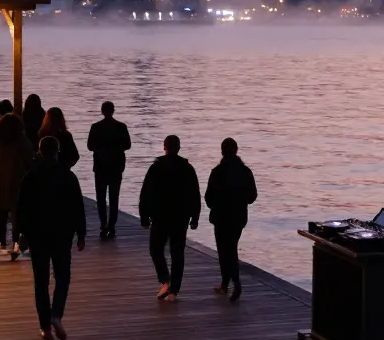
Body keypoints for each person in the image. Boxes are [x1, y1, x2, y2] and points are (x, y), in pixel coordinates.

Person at [17, 136, 85, 340]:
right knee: (63, 277)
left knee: (41, 281)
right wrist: (81, 233)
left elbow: (22, 207)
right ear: (57, 152)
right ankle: (56, 314)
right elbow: (77, 206)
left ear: (40, 151)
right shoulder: (68, 175)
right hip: (62, 234)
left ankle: (45, 326)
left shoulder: (30, 176)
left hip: (37, 234)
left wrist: (21, 234)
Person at [138, 135, 201, 302]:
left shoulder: (156, 168)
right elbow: (194, 194)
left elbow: (146, 193)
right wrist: (195, 217)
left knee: (155, 249)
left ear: (164, 147)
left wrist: (144, 215)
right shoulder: (187, 168)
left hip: (160, 216)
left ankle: (165, 279)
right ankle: (174, 291)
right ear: (178, 148)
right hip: (180, 217)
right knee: (177, 252)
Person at [205, 138, 258, 302]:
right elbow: (252, 196)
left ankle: (232, 282)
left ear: (222, 151)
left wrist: (216, 205)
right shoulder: (245, 172)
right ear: (236, 150)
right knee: (231, 247)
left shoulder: (217, 172)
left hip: (220, 217)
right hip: (238, 217)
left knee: (224, 251)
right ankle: (228, 283)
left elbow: (208, 198)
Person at [0, 113, 34, 256]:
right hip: (17, 180)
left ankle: (2, 242)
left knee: (2, 212)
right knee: (17, 214)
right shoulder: (21, 141)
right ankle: (15, 242)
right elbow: (29, 160)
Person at [87, 101, 131, 240]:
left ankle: (103, 225)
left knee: (100, 198)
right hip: (116, 167)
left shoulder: (96, 127)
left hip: (100, 167)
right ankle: (111, 226)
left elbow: (90, 146)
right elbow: (128, 145)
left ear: (102, 111)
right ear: (113, 111)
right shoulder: (121, 127)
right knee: (114, 197)